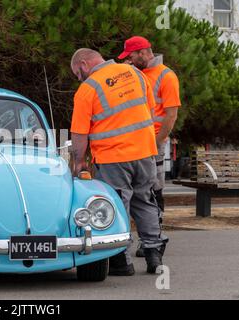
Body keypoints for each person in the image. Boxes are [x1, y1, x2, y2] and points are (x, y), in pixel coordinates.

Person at [70, 48, 168, 275]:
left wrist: (79, 163)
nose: (78, 78)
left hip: (113, 157)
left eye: (77, 73)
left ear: (84, 64)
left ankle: (121, 262)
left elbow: (79, 134)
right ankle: (154, 256)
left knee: (117, 205)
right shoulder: (135, 73)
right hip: (145, 152)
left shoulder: (88, 88)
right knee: (145, 201)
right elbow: (150, 108)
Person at [118, 36, 181, 257]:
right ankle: (144, 241)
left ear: (144, 52)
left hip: (153, 142)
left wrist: (157, 142)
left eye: (132, 56)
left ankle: (152, 242)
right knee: (135, 193)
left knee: (152, 191)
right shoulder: (135, 73)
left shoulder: (166, 76)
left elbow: (171, 115)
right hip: (131, 143)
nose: (130, 60)